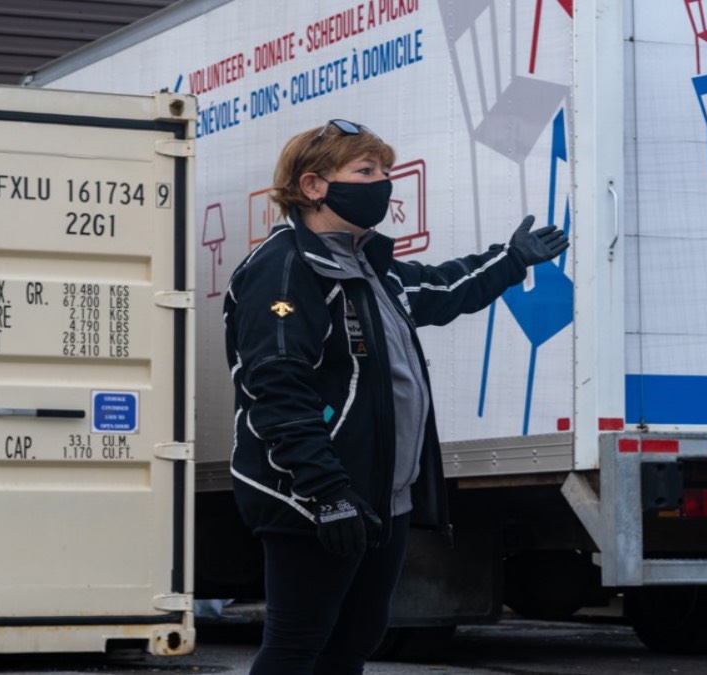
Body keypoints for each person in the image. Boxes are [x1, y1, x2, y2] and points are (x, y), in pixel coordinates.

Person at [223, 119, 569, 674]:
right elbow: (277, 391)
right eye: (366, 171)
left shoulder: (370, 268)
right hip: (313, 496)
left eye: (384, 171)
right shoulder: (287, 268)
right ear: (313, 186)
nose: (383, 182)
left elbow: (443, 289)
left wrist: (512, 260)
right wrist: (326, 491)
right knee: (298, 643)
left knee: (355, 639)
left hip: (381, 496)